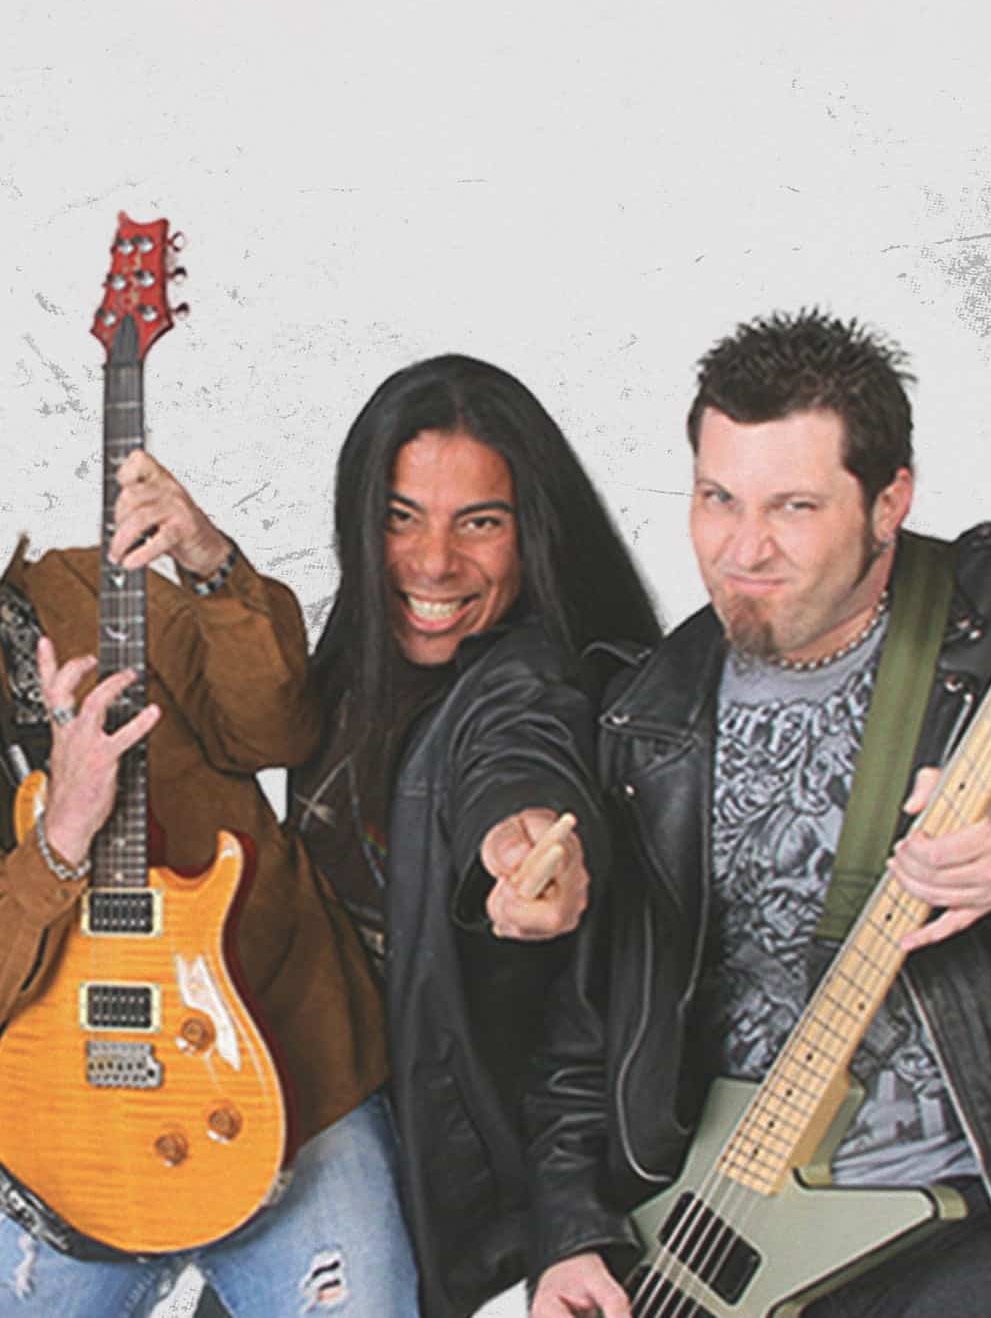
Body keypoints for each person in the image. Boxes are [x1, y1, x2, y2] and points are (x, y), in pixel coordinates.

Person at [526, 310, 991, 1317]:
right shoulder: (651, 707)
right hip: (720, 1237)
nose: (743, 548)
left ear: (889, 502)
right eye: (717, 499)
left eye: (794, 506)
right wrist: (570, 1230)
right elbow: (591, 1019)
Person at [0, 411, 412, 1317]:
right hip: (63, 1139)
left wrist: (211, 563)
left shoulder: (91, 595)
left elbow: (280, 729)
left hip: (287, 1074)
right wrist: (58, 839)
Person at [291, 355, 661, 1316]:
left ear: (534, 534)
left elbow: (522, 756)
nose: (433, 562)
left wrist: (525, 841)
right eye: (401, 516)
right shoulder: (353, 666)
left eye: (480, 522)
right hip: (322, 1149)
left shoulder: (532, 682)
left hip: (468, 1216)